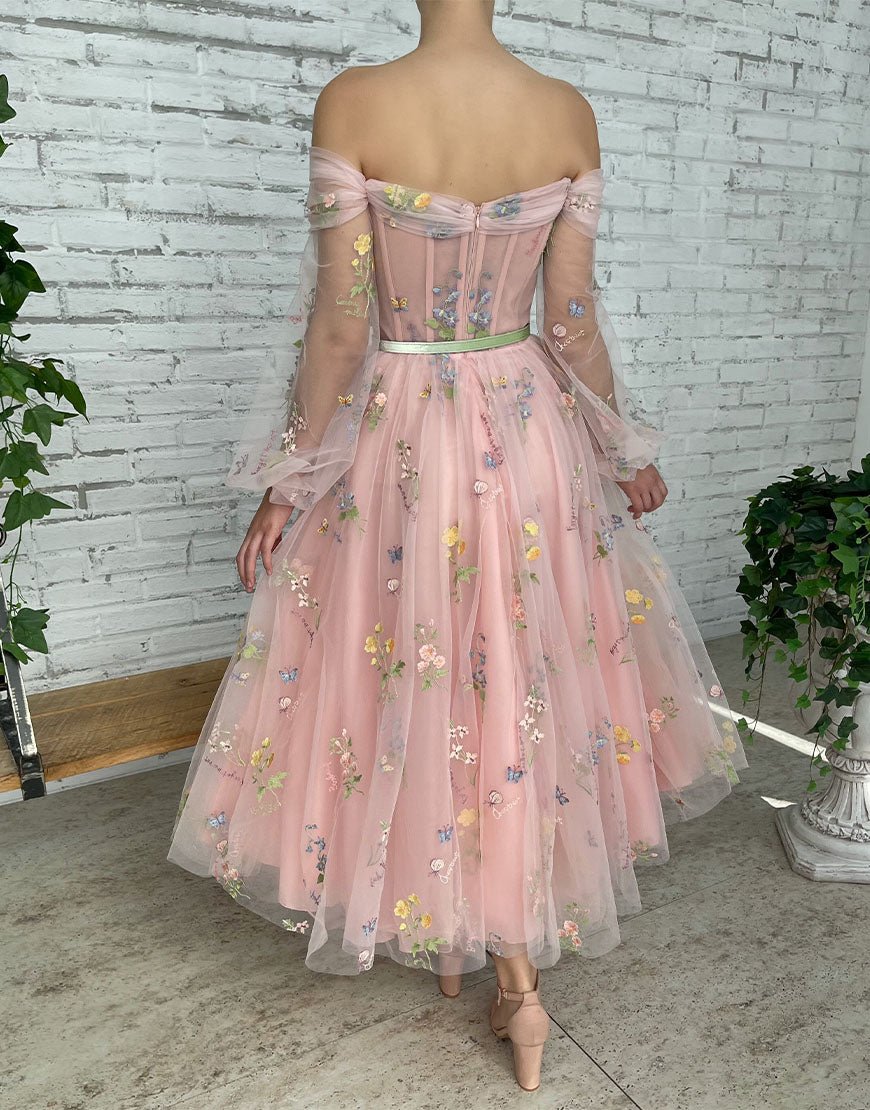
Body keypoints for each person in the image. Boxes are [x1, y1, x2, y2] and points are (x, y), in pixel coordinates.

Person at [166, 0, 748, 1093]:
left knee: (413, 667)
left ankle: (493, 963)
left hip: (404, 437)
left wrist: (288, 481)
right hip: (527, 432)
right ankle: (491, 960)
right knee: (515, 675)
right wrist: (618, 446)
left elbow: (343, 324)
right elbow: (568, 317)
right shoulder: (564, 111)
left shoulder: (356, 101)